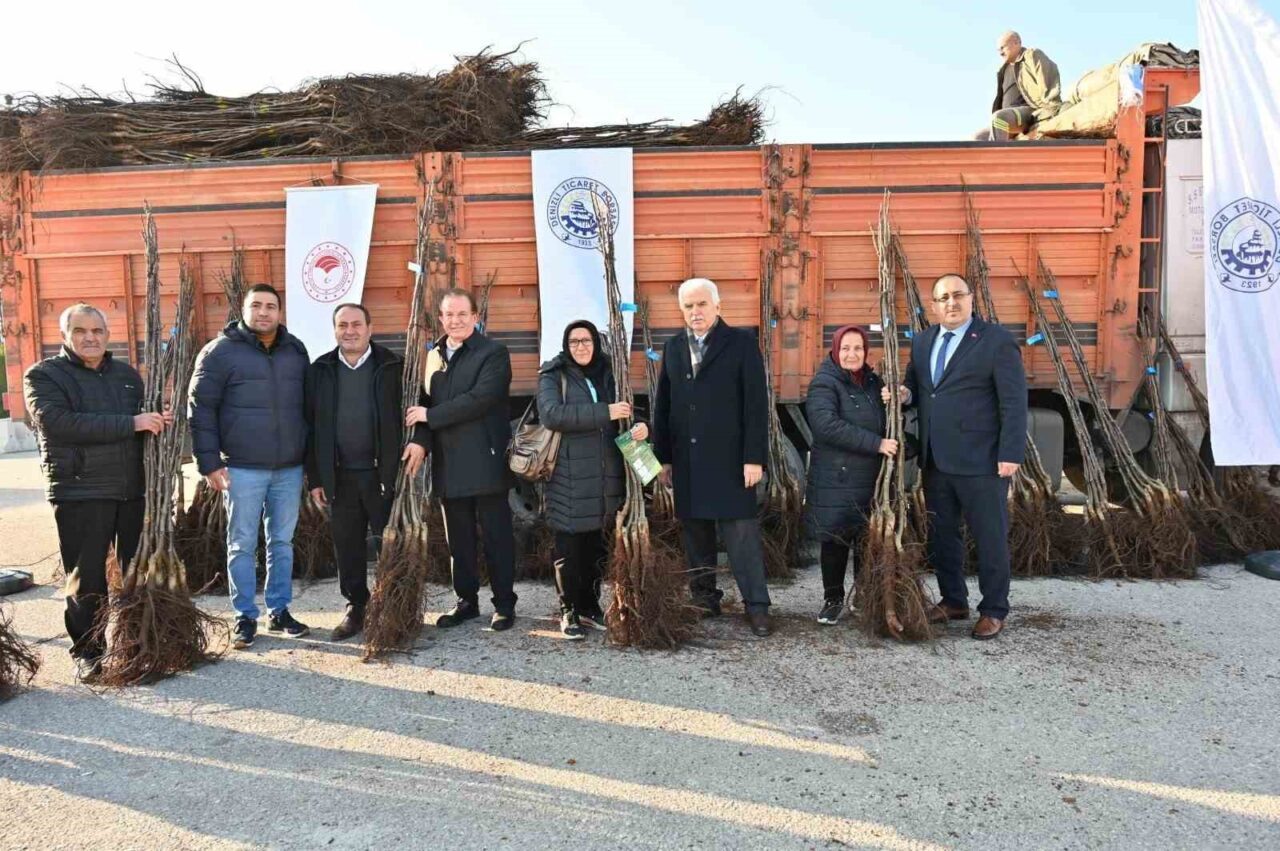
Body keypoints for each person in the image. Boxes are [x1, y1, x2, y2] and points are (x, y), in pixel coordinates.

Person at [23, 303, 173, 681]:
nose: (90, 338)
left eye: (97, 331)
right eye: (80, 331)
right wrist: (132, 423)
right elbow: (58, 423)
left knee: (138, 572)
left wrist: (159, 420)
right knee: (87, 578)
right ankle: (88, 652)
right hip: (80, 489)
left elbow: (144, 425)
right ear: (64, 336)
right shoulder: (44, 376)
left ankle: (138, 644)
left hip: (131, 490)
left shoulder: (126, 376)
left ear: (108, 335)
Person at [884, 273, 1027, 640]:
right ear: (934, 306)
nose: (951, 303)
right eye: (943, 297)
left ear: (971, 299)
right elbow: (918, 389)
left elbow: (1013, 402)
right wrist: (902, 394)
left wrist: (1010, 453)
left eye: (958, 295)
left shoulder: (996, 341)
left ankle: (994, 609)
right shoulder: (923, 342)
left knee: (989, 536)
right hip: (937, 460)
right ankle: (953, 600)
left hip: (982, 461)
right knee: (943, 536)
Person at [189, 283, 311, 650]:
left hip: (289, 468)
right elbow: (200, 409)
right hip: (242, 468)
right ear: (243, 310)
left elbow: (309, 407)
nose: (263, 312)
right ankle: (245, 615)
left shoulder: (294, 350)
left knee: (282, 542)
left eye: (270, 306)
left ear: (279, 312)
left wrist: (310, 460)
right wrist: (209, 463)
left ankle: (279, 609)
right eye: (256, 305)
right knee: (241, 543)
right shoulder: (219, 352)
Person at [654, 277, 773, 637]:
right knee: (696, 535)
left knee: (741, 536)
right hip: (688, 460)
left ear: (718, 306)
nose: (695, 312)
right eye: (688, 306)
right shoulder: (674, 347)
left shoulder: (741, 344)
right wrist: (664, 458)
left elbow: (756, 405)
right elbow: (664, 406)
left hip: (732, 461)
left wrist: (754, 457)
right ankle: (705, 599)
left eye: (702, 304)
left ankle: (757, 606)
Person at [305, 303, 428, 641]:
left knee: (393, 544)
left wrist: (420, 441)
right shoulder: (320, 370)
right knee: (348, 546)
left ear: (370, 328)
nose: (350, 331)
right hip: (340, 476)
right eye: (342, 325)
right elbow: (310, 427)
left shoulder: (393, 366)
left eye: (356, 324)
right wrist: (316, 477)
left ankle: (397, 607)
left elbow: (421, 408)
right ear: (334, 330)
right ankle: (356, 607)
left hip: (384, 475)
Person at [405, 288, 518, 631]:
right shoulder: (433, 355)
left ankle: (504, 604)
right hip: (449, 461)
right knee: (459, 541)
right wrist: (420, 441)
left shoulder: (493, 353)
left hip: (486, 459)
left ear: (475, 317)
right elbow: (423, 404)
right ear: (440, 318)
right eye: (449, 315)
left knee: (497, 538)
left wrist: (431, 416)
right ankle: (466, 602)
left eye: (462, 314)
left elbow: (481, 399)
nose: (455, 321)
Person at [537, 319, 648, 640]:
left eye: (586, 341)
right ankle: (568, 609)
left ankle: (589, 606)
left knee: (596, 548)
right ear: (565, 345)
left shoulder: (609, 373)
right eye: (574, 342)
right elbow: (552, 415)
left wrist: (642, 427)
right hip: (569, 476)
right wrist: (605, 412)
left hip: (605, 476)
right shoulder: (553, 375)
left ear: (596, 344)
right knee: (569, 549)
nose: (581, 347)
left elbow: (627, 412)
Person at [804, 324, 896, 626]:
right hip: (836, 478)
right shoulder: (824, 383)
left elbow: (887, 421)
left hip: (869, 477)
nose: (852, 354)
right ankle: (833, 599)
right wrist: (876, 444)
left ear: (866, 351)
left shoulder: (873, 382)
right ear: (835, 350)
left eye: (858, 348)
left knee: (865, 540)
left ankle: (862, 596)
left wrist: (895, 399)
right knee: (835, 540)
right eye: (845, 348)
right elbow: (826, 426)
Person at [976, 31, 1062, 141]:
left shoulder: (1032, 56)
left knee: (1000, 117)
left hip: (1030, 112)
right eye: (998, 50)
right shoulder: (1003, 70)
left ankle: (1000, 152)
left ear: (1016, 43)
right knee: (979, 138)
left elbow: (1048, 78)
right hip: (1010, 119)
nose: (1000, 53)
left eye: (1003, 48)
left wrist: (1051, 107)